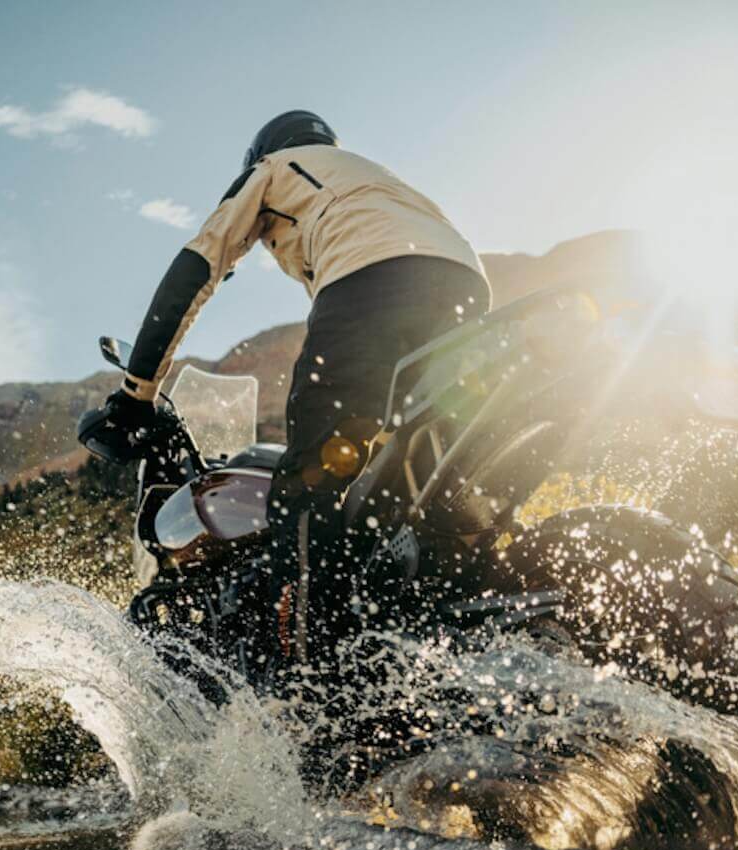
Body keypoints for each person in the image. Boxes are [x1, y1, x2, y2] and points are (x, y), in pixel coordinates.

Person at [82, 110, 491, 661]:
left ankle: (308, 692)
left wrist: (137, 395)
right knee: (404, 482)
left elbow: (197, 269)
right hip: (467, 287)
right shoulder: (371, 179)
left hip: (373, 280)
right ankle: (429, 625)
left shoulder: (277, 168)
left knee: (306, 489)